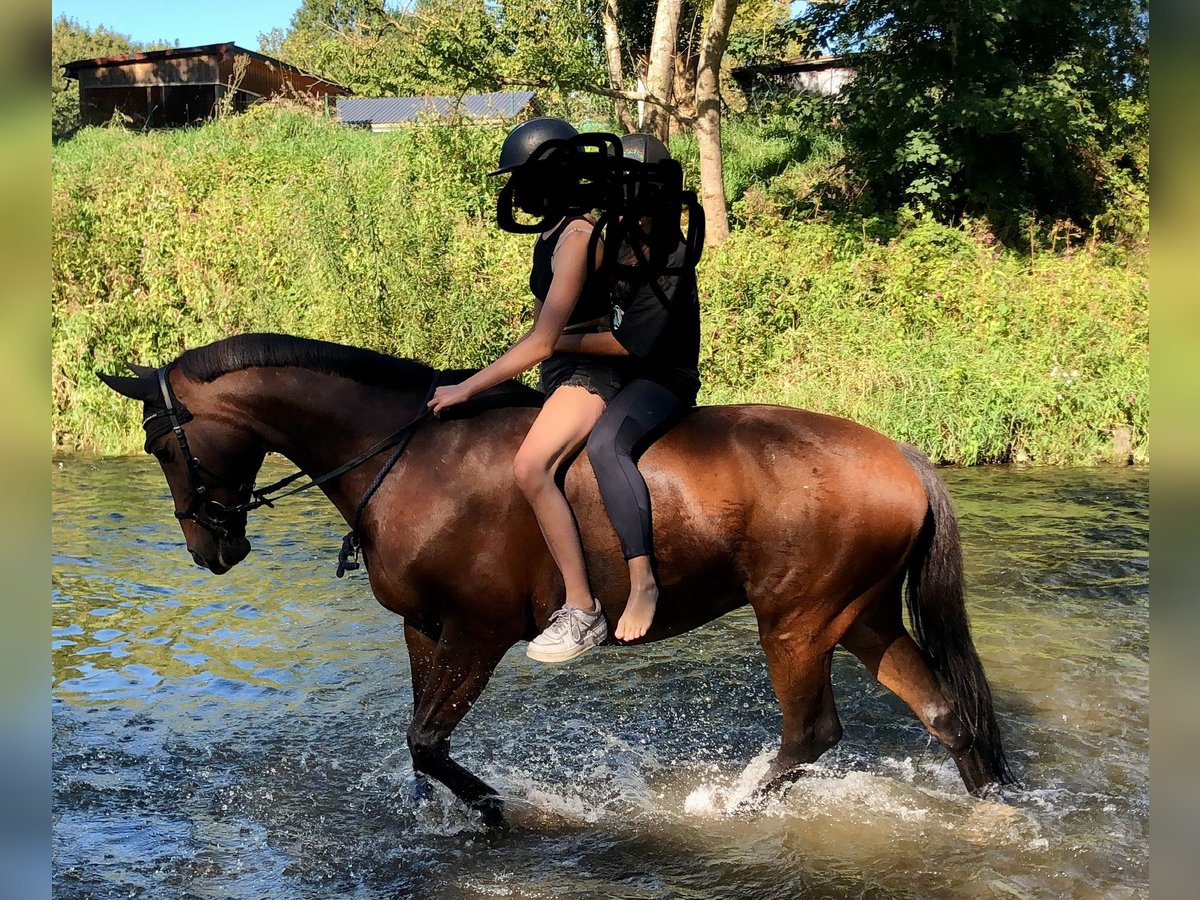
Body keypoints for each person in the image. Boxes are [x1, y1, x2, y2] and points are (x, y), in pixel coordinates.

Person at [427, 117, 621, 663]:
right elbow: (537, 336)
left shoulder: (579, 237)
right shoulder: (550, 234)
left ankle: (582, 609)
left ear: (553, 179)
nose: (517, 192)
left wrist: (468, 386)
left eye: (523, 179)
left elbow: (543, 341)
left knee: (530, 467)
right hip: (558, 372)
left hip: (594, 375)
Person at [553, 133, 702, 642]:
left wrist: (557, 342)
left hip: (661, 378)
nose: (626, 208)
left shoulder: (674, 255)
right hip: (615, 376)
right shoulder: (611, 239)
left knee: (605, 443)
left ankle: (643, 581)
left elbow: (627, 345)